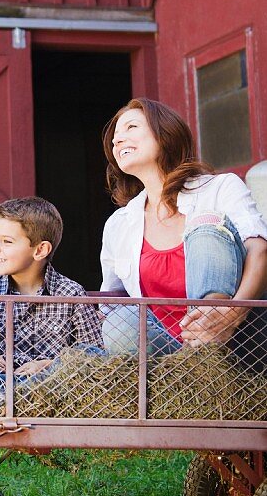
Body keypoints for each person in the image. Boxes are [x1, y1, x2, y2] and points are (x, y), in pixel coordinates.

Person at [100, 97, 267, 361]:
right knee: (118, 322)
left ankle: (207, 351)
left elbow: (259, 250)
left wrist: (233, 314)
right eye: (114, 139)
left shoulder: (220, 188)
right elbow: (112, 301)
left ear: (165, 133)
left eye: (131, 128)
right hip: (167, 359)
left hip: (233, 341)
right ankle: (185, 371)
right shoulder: (119, 223)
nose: (118, 140)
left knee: (205, 226)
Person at [0, 197, 103, 405]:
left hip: (47, 385)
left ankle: (10, 398)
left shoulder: (71, 295)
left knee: (73, 366)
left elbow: (94, 356)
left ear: (40, 250)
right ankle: (1, 398)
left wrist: (51, 365)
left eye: (7, 242)